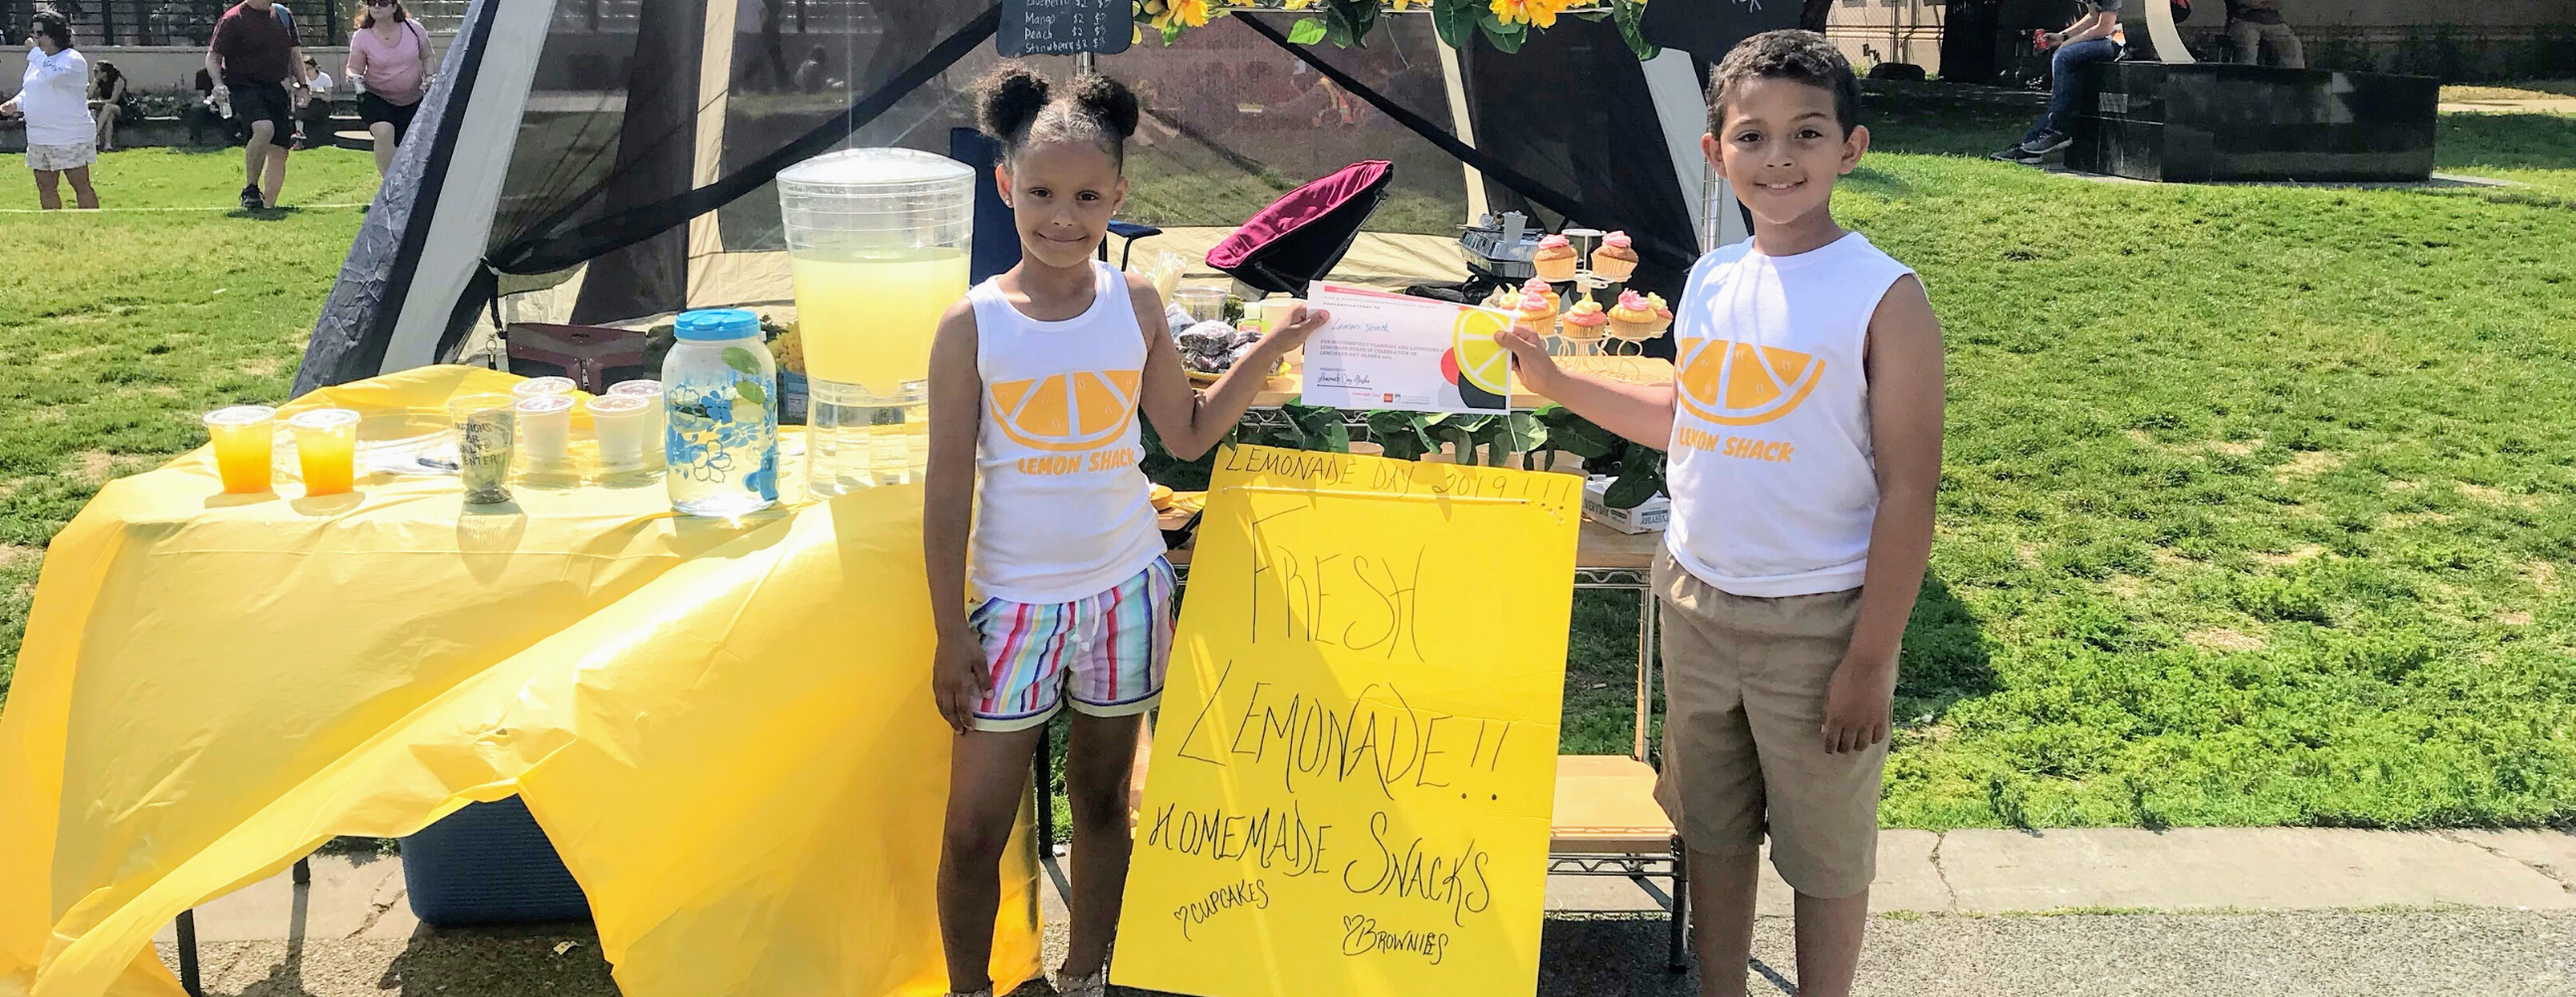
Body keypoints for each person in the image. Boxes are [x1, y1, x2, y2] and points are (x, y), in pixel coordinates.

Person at [1492, 30, 1941, 997]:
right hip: (1696, 602)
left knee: (1826, 856)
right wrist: (1558, 381)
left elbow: (1910, 488)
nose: (1777, 157)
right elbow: (1688, 415)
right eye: (1751, 136)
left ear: (1850, 149)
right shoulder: (1711, 276)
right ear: (1715, 152)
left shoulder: (1884, 296)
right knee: (1712, 830)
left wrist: (1869, 659)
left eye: (1806, 133)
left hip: (1819, 621)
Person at [924, 64, 1328, 997]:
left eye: (1086, 197)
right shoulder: (970, 325)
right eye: (1041, 193)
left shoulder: (1136, 302)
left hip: (1126, 597)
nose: (1063, 218)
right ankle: (969, 988)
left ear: (1119, 195)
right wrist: (949, 630)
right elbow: (946, 493)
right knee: (974, 831)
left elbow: (1183, 434)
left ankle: (1084, 977)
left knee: (1103, 800)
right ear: (1005, 185)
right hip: (1012, 609)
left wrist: (1270, 347)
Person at [207, 0, 313, 210]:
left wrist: (303, 85)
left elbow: (294, 54)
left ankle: (268, 207)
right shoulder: (233, 19)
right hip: (242, 85)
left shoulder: (283, 15)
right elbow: (213, 56)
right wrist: (218, 84)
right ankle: (250, 189)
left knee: (280, 149)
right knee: (264, 128)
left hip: (274, 87)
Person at [1991, 1, 2126, 164]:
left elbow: (2104, 27)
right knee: (2065, 55)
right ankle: (2032, 144)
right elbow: (2093, 16)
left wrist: (2068, 43)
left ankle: (2058, 130)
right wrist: (2062, 36)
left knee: (2064, 56)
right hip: (2108, 38)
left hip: (2120, 40)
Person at [0, 11, 100, 210]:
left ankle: (91, 222)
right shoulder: (37, 61)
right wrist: (15, 103)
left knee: (80, 185)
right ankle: (53, 223)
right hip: (38, 136)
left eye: (40, 33)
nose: (34, 38)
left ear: (55, 34)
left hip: (68, 135)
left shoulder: (72, 59)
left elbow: (54, 76)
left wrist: (35, 53)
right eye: (33, 33)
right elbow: (31, 89)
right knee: (45, 187)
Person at [345, 0, 436, 175]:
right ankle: (389, 183)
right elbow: (353, 67)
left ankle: (410, 181)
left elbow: (427, 55)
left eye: (383, 2)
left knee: (412, 145)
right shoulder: (362, 36)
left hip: (412, 99)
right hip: (376, 97)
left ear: (394, 7)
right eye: (372, 2)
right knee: (384, 131)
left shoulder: (413, 28)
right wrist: (354, 77)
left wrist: (430, 75)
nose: (376, 6)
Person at [2225, 0, 2304, 69]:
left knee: (2292, 44)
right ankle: (2246, 78)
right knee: (2248, 43)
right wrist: (2264, 3)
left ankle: (2293, 80)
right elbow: (2242, 2)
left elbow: (2279, 3)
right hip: (2241, 20)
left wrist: (2257, 3)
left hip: (2275, 22)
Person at [292, 56, 334, 150]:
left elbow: (328, 98)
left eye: (308, 69)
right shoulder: (303, 79)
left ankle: (301, 134)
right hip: (306, 105)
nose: (306, 72)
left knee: (312, 105)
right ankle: (299, 132)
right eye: (304, 69)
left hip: (321, 105)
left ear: (315, 68)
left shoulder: (325, 78)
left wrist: (317, 93)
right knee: (300, 103)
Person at [89, 59, 127, 152]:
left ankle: (94, 135)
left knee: (108, 107)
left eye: (96, 71)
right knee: (109, 116)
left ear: (105, 73)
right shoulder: (99, 81)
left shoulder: (118, 80)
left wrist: (97, 102)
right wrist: (95, 81)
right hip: (107, 110)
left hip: (121, 108)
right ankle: (108, 145)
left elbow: (113, 100)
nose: (94, 73)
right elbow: (89, 95)